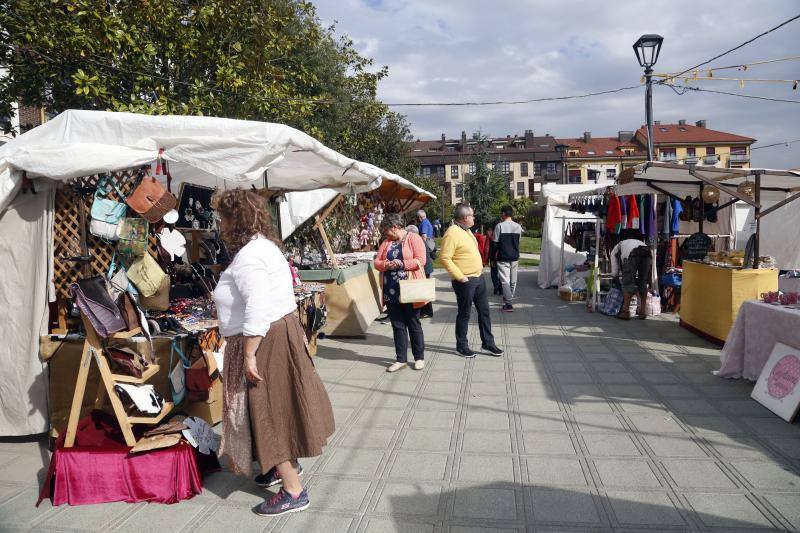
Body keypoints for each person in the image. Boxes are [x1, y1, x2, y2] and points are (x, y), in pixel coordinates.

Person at [211, 189, 334, 516]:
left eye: (223, 217)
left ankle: (293, 490)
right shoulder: (262, 246)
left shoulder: (250, 256)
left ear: (234, 220)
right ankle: (276, 466)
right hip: (276, 334)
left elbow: (257, 306)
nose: (219, 224)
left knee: (269, 414)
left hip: (265, 340)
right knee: (277, 409)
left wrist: (250, 353)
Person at [439, 204, 503, 358]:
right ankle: (461, 346)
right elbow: (444, 258)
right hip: (465, 280)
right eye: (472, 215)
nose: (474, 218)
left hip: (478, 277)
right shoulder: (452, 233)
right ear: (465, 217)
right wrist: (460, 276)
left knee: (485, 312)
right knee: (464, 314)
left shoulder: (467, 231)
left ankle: (487, 343)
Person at [374, 214, 428, 372]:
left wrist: (402, 263)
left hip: (410, 289)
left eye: (386, 231)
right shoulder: (386, 243)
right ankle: (401, 359)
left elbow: (421, 260)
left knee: (413, 323)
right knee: (397, 325)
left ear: (394, 227)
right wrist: (387, 264)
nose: (386, 235)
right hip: (391, 291)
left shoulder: (414, 238)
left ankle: (419, 357)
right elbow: (377, 262)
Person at [610, 228, 652, 320]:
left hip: (632, 254)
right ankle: (642, 312)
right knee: (643, 282)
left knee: (628, 283)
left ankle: (625, 312)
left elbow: (614, 262)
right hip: (647, 252)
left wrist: (615, 276)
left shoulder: (619, 245)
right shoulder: (640, 242)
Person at [493, 205, 523, 312]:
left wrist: (492, 258)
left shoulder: (499, 226)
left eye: (501, 213)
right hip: (515, 256)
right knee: (513, 281)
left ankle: (509, 304)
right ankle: (508, 298)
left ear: (503, 214)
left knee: (505, 281)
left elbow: (495, 244)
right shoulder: (518, 227)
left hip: (503, 256)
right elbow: (518, 241)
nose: (500, 215)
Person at [408, 225, 435, 319]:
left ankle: (427, 312)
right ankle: (426, 311)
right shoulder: (419, 239)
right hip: (426, 267)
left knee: (424, 290)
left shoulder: (416, 240)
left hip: (424, 268)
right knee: (424, 290)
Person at [486, 223, 502, 295]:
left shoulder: (490, 235)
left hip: (493, 257)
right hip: (502, 256)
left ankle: (496, 285)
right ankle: (501, 289)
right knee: (502, 273)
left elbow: (487, 248)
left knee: (494, 272)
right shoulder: (503, 233)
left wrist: (488, 259)